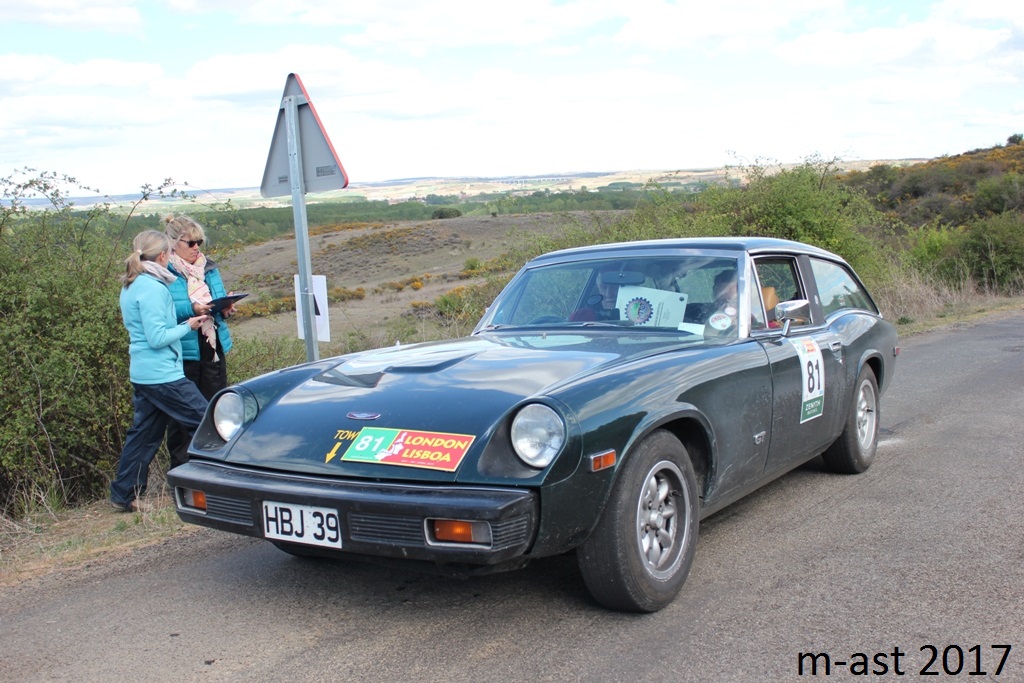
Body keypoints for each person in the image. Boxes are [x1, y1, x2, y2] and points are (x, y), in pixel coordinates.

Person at [111, 231, 210, 513]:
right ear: (164, 255)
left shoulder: (132, 284)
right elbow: (156, 338)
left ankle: (124, 494)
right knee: (209, 422)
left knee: (143, 436)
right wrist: (188, 326)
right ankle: (221, 484)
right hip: (163, 375)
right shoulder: (153, 288)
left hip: (143, 373)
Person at [164, 214, 235, 469]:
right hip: (184, 351)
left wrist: (225, 308)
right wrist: (192, 309)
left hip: (212, 347)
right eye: (191, 243)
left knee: (216, 409)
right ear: (174, 244)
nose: (196, 248)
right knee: (182, 416)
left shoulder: (209, 268)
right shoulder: (165, 272)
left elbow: (217, 301)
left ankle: (213, 466)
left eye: (200, 242)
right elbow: (163, 311)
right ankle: (183, 470)